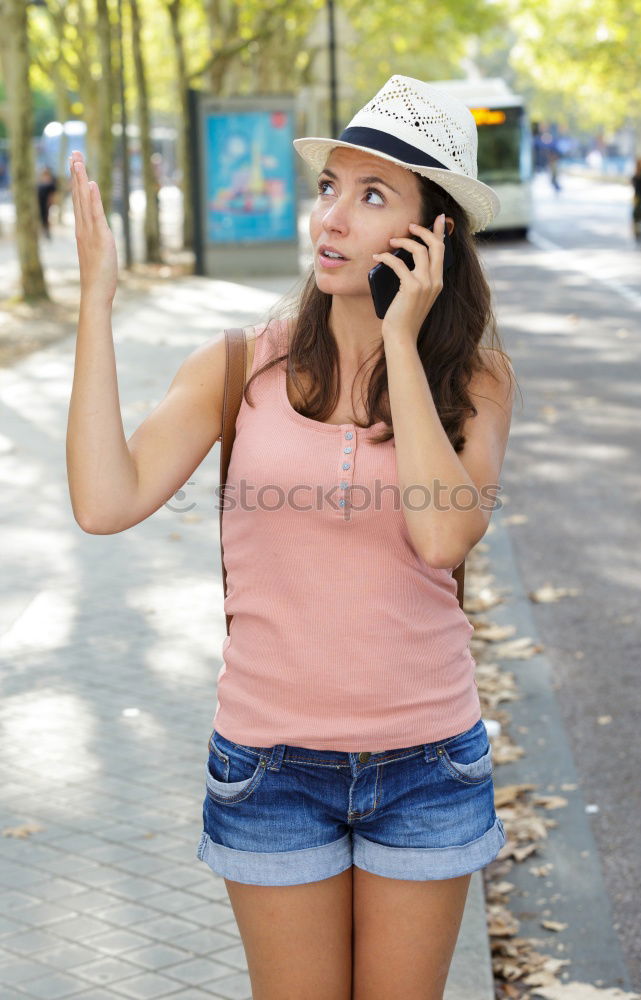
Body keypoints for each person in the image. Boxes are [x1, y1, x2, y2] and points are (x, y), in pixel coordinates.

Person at [66, 74, 516, 999]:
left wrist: (400, 340)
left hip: (427, 762)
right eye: (328, 189)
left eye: (372, 195)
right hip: (268, 770)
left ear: (434, 237)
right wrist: (97, 306)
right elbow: (104, 502)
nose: (333, 218)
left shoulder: (478, 381)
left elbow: (442, 538)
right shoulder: (240, 365)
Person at [37, 166, 58, 239]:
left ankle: (47, 232)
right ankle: (43, 231)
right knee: (41, 217)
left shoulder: (51, 183)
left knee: (46, 218)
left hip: (46, 203)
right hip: (40, 203)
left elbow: (52, 194)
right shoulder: (40, 182)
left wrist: (51, 202)